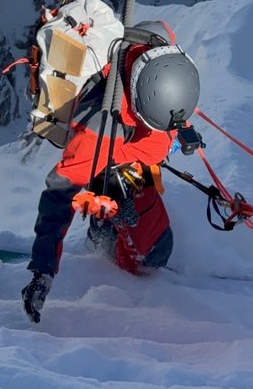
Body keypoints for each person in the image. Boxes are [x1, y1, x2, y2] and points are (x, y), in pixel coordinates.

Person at [21, 20, 201, 323]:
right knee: (154, 254)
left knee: (142, 225)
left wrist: (180, 125)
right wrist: (43, 271)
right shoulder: (99, 135)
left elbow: (167, 96)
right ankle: (106, 223)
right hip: (116, 173)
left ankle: (105, 226)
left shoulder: (160, 61)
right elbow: (58, 193)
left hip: (134, 160)